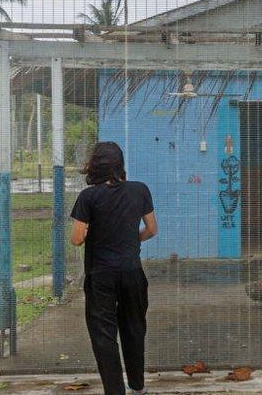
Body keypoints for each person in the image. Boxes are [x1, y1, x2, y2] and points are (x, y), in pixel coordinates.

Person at [70, 141, 157, 395]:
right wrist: (130, 240)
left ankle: (115, 391)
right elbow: (151, 229)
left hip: (101, 275)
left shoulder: (88, 197)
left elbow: (76, 239)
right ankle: (137, 387)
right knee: (134, 327)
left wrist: (90, 232)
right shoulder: (139, 190)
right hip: (132, 272)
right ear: (120, 165)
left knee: (104, 335)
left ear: (95, 165)